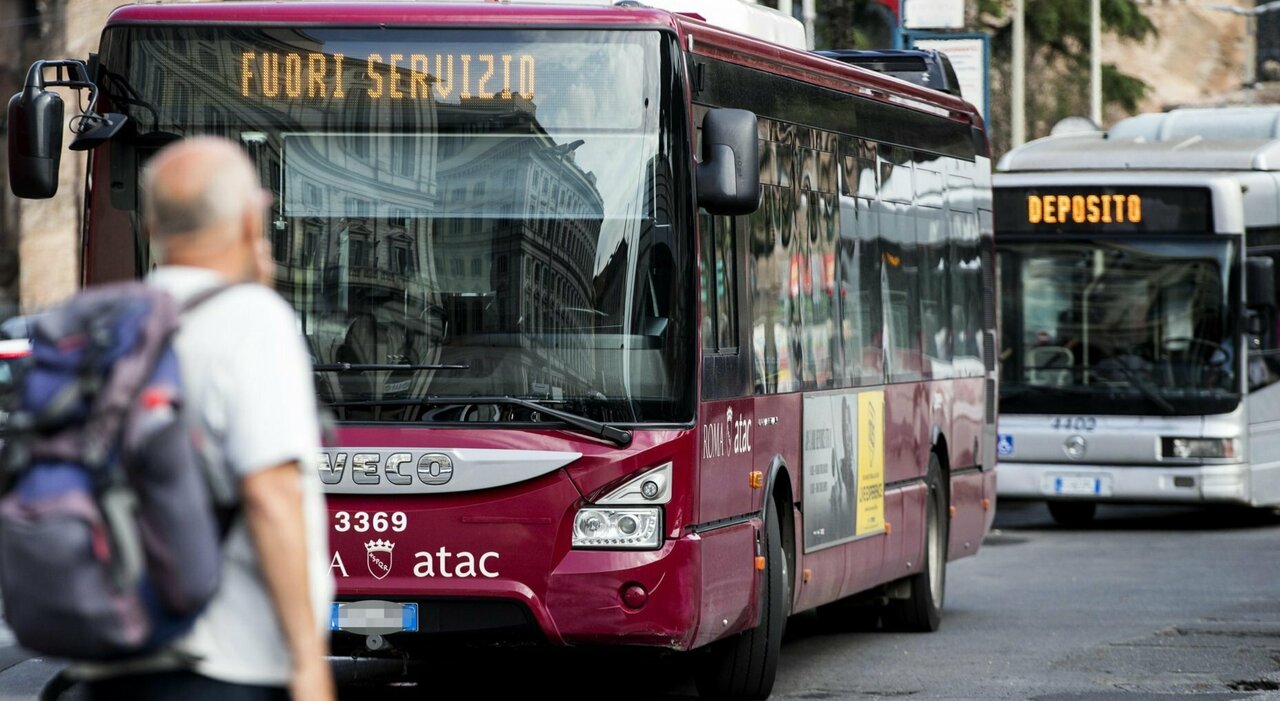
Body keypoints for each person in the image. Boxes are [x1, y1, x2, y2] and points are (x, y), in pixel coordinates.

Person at [83, 137, 335, 701]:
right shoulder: (251, 320)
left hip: (116, 656)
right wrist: (308, 663)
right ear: (251, 221)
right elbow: (271, 495)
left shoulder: (113, 325)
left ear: (150, 229)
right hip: (224, 663)